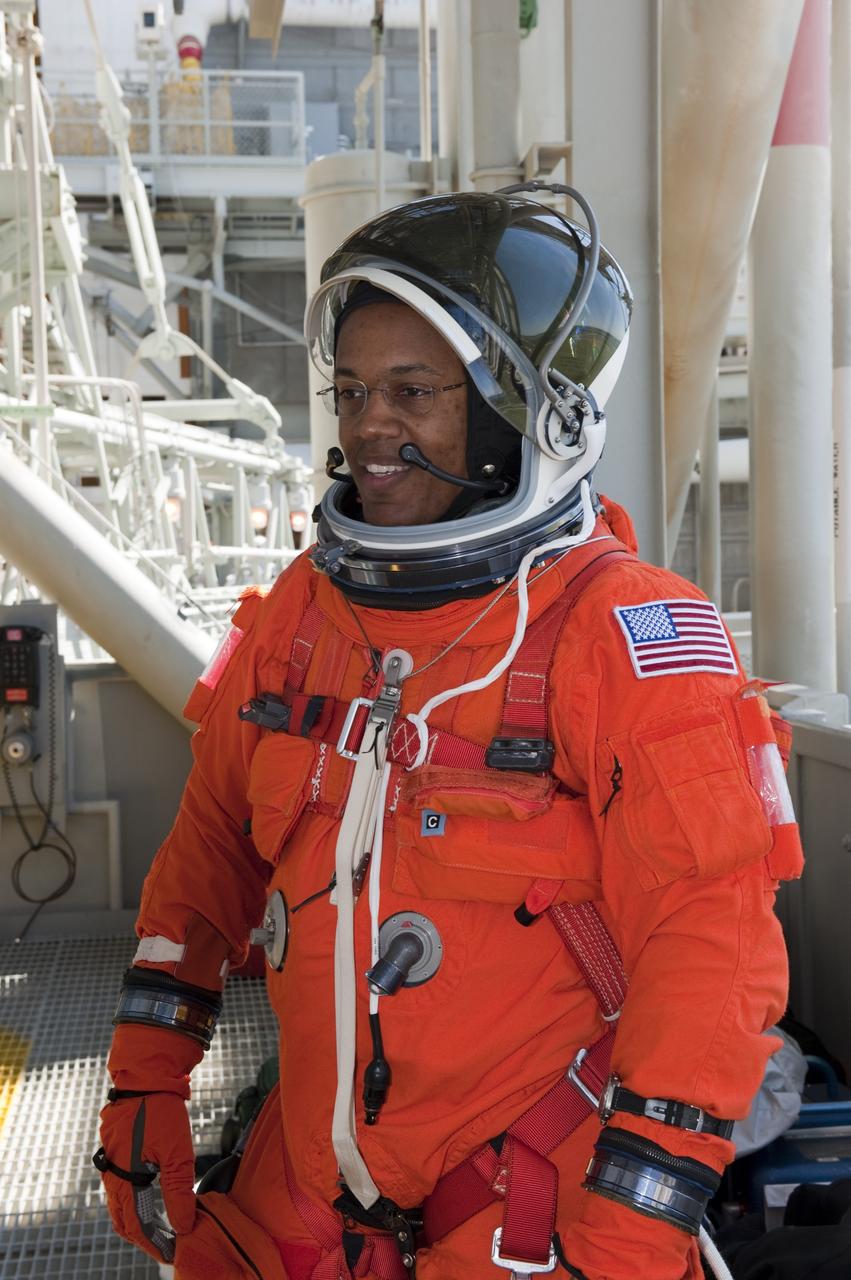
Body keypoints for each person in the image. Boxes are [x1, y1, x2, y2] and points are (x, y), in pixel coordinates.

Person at [93, 187, 802, 1280]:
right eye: (352, 390)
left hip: (526, 1202)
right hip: (299, 1189)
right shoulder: (301, 612)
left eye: (414, 392)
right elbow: (207, 852)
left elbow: (710, 940)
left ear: (534, 413)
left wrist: (631, 1221)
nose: (369, 423)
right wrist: (146, 1073)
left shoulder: (619, 631)